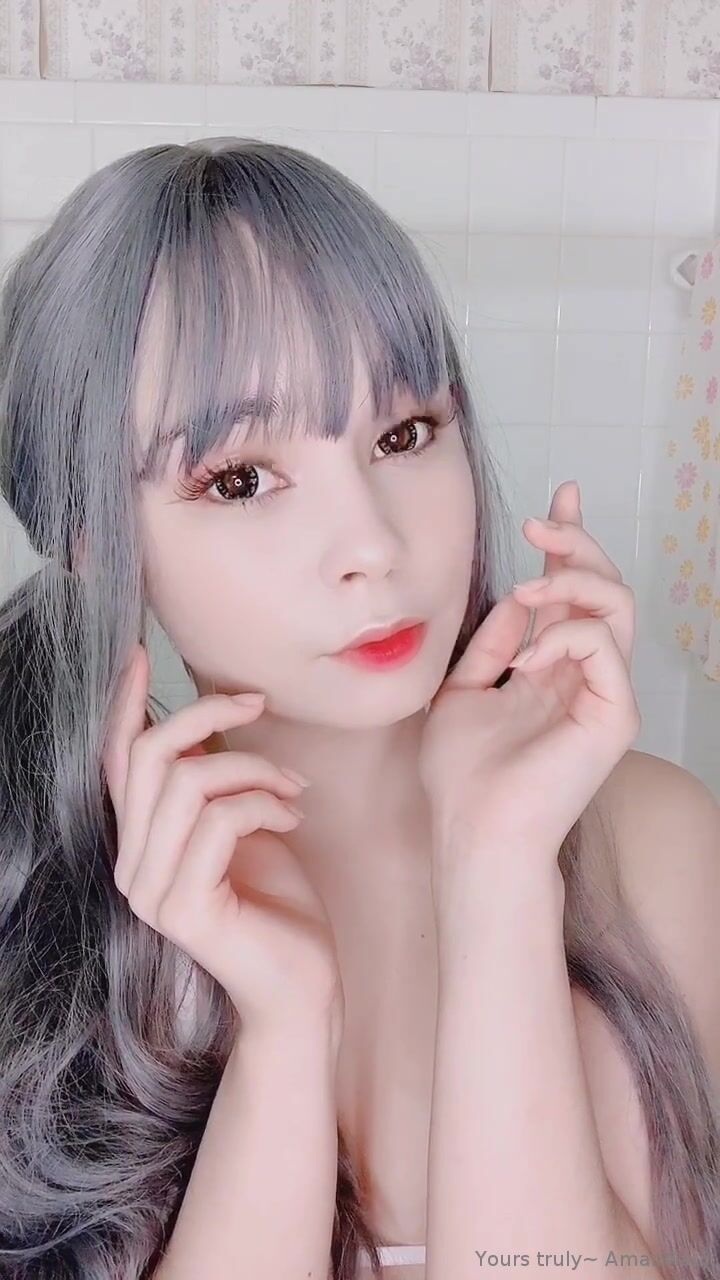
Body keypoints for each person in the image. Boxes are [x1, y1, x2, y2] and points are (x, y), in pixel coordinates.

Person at [0, 137, 718, 1280]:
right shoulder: (49, 904)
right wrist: (286, 1029)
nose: (374, 545)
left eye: (404, 434)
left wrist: (498, 872)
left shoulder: (652, 839)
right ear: (93, 540)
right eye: (240, 479)